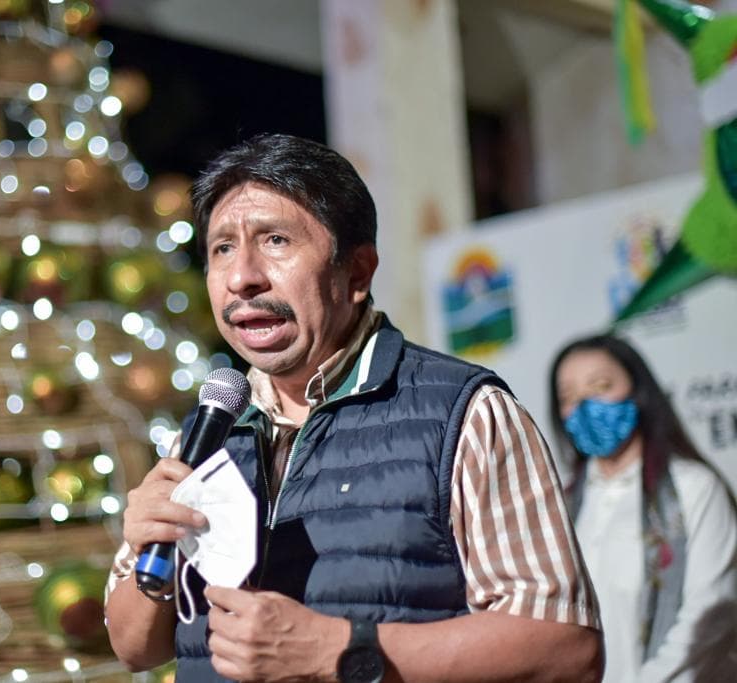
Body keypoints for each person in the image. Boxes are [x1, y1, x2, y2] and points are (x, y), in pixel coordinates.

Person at [105, 133, 603, 682]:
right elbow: (135, 649)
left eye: (274, 240)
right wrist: (148, 551)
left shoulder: (467, 415)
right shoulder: (204, 434)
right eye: (222, 248)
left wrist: (338, 650)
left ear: (357, 273)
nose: (242, 276)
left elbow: (567, 650)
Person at [549, 334, 737, 683]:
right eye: (569, 397)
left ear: (638, 392)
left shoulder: (693, 488)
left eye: (601, 386)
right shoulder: (558, 504)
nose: (586, 406)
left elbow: (711, 614)